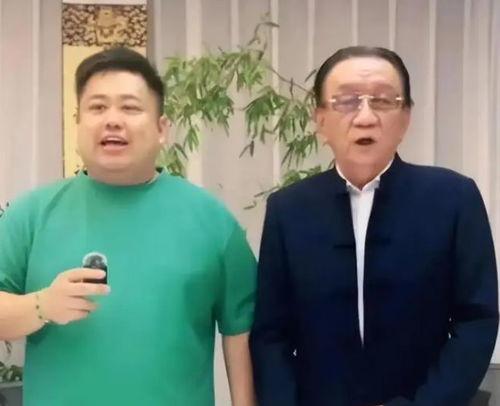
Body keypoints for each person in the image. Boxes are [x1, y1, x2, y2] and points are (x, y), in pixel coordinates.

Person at [0, 47, 256, 406]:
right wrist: (42, 305)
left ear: (162, 129)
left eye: (130, 108)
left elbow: (241, 333)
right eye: (97, 107)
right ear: (77, 123)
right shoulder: (31, 214)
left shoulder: (212, 220)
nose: (112, 120)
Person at [250, 46, 498, 406]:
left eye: (382, 101)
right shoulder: (289, 209)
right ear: (320, 120)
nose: (365, 117)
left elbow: (476, 320)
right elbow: (270, 335)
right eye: (346, 101)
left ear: (406, 118)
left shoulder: (453, 198)